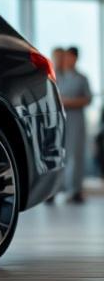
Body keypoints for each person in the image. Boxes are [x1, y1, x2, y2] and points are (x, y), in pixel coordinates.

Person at [56, 46, 93, 204]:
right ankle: (57, 189)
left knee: (76, 156)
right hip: (60, 120)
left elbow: (88, 99)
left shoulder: (82, 78)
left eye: (71, 57)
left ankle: (75, 190)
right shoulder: (57, 76)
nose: (68, 60)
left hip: (76, 119)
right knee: (60, 155)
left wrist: (69, 102)